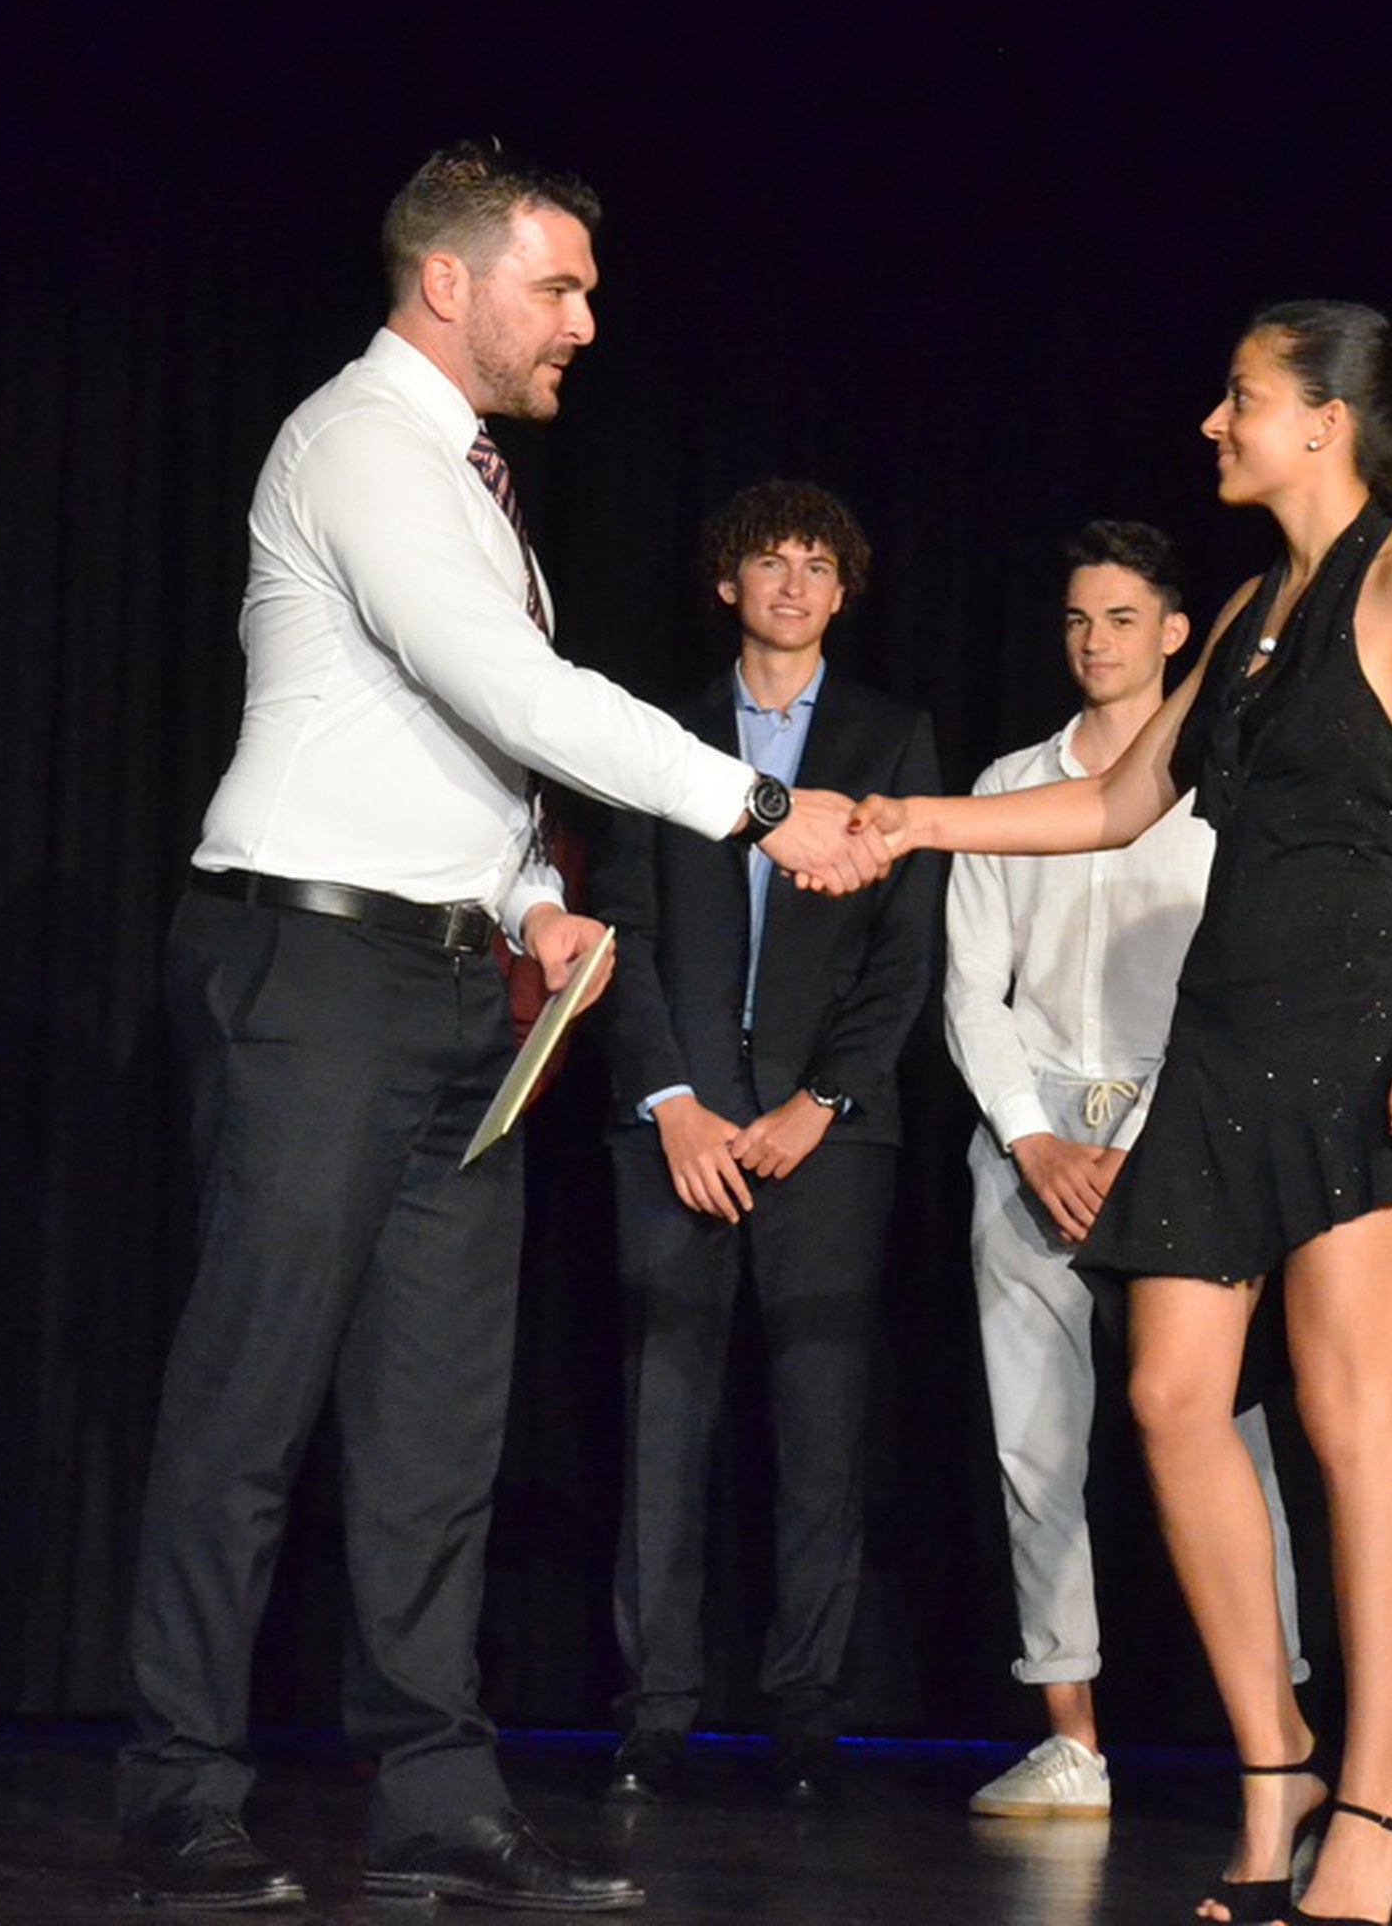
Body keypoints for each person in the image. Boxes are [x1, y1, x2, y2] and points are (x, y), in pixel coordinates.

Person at [116, 141, 885, 1912]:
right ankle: (178, 1792)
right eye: (560, 287)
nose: (586, 323)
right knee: (251, 1396)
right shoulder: (358, 443)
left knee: (435, 1421)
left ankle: (435, 1800)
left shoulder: (465, 475)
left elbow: (464, 745)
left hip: (458, 985)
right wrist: (764, 809)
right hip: (309, 973)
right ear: (448, 281)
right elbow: (511, 690)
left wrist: (531, 896)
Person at [862, 301, 1392, 1926]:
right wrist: (906, 822)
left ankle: (1374, 1807)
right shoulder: (1247, 607)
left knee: (1349, 1408)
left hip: (1362, 1032)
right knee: (1167, 1398)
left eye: (1241, 398)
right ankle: (1273, 1770)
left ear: (1325, 423)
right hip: (1218, 1039)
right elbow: (1112, 798)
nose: (1214, 423)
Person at [938, 519, 1312, 1821]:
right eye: (1077, 619)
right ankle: (1071, 1737)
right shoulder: (1007, 785)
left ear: (1175, 635)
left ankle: (1282, 1729)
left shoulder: (1223, 791)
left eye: (1121, 619)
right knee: (1035, 1441)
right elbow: (970, 989)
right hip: (1029, 1128)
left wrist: (1145, 1132)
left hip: (1185, 1124)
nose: (1095, 642)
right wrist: (1031, 1137)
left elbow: (1237, 983)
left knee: (1225, 1428)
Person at [594, 479, 943, 1806]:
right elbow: (620, 927)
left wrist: (824, 1101)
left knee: (820, 1424)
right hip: (676, 1125)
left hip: (826, 1137)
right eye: (769, 562)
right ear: (726, 583)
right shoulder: (660, 734)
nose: (793, 584)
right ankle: (655, 1713)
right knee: (661, 1424)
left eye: (816, 565)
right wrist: (671, 1098)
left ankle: (807, 1712)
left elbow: (905, 951)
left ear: (844, 592)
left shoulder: (890, 735)